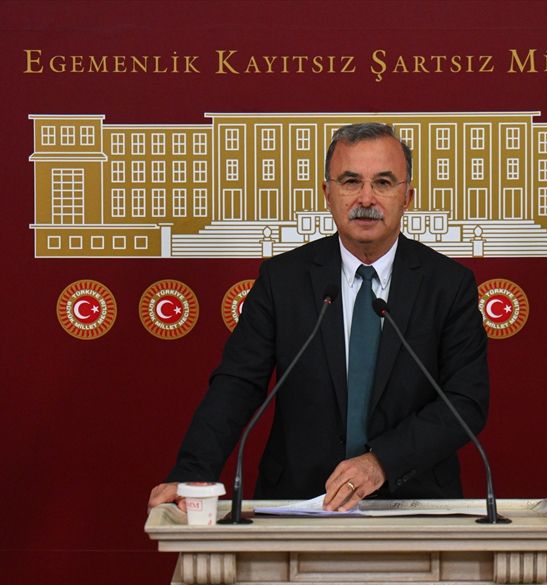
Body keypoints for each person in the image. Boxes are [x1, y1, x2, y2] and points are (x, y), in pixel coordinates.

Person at [147, 122, 488, 513]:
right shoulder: (282, 280)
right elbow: (237, 384)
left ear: (407, 196)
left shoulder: (449, 285)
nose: (366, 198)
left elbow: (465, 401)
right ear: (327, 193)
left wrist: (382, 461)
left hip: (414, 502)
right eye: (350, 181)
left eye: (383, 182)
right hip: (298, 500)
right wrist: (193, 473)